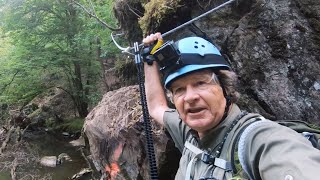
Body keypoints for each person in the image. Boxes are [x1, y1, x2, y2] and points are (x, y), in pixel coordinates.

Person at [142, 32, 320, 180]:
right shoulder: (188, 133)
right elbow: (157, 107)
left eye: (200, 83)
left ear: (225, 88)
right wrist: (149, 60)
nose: (189, 97)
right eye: (179, 89)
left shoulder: (258, 140)